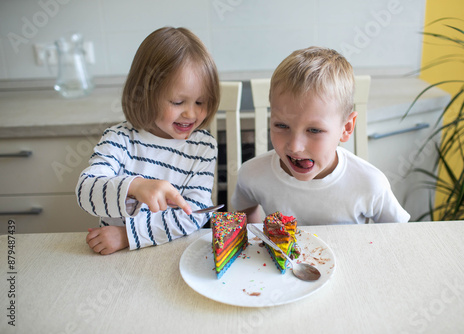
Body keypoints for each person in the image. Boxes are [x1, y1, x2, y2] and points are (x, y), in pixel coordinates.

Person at [76, 27, 220, 254]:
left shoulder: (203, 147)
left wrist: (127, 235)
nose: (191, 114)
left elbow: (196, 214)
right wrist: (136, 186)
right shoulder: (119, 139)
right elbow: (85, 192)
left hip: (171, 254)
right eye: (177, 102)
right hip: (116, 262)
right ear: (144, 94)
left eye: (200, 102)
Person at [232, 46, 410, 225]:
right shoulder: (252, 175)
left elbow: (400, 234)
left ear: (346, 128)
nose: (295, 146)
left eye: (314, 130)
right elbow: (245, 212)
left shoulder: (369, 184)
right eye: (282, 126)